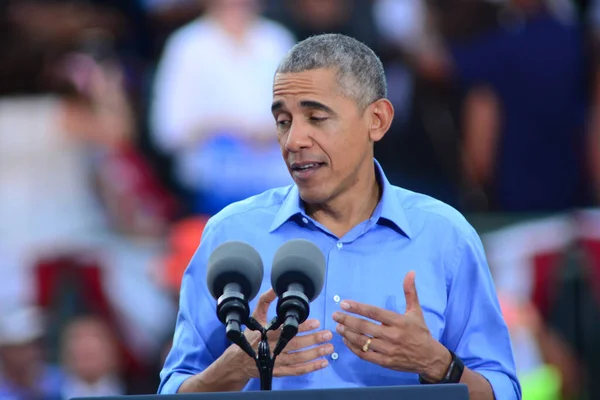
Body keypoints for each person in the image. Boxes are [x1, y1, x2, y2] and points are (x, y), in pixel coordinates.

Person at [159, 34, 521, 400]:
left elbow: (504, 391)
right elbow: (174, 388)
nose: (293, 140)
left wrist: (438, 364)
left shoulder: (446, 237)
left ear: (377, 120)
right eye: (283, 121)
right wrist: (233, 368)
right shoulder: (230, 235)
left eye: (316, 117)